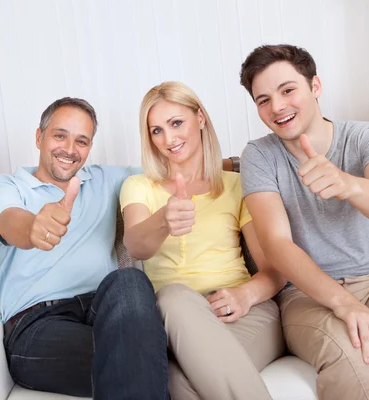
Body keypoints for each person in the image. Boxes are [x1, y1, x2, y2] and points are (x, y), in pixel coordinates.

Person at [239, 44, 369, 400]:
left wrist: (349, 184)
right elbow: (277, 245)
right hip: (306, 296)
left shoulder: (367, 137)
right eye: (263, 100)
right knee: (356, 357)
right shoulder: (259, 155)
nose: (278, 107)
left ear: (315, 86)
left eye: (288, 90)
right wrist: (344, 304)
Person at [0, 97, 168, 399]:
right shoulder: (7, 187)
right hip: (37, 324)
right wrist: (33, 228)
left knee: (130, 280)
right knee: (141, 356)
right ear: (39, 137)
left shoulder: (106, 180)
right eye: (60, 136)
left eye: (81, 141)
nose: (70, 149)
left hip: (104, 309)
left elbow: (173, 166)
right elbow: (9, 222)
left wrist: (237, 164)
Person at [120, 81, 286, 400]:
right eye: (156, 131)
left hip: (245, 310)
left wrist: (245, 296)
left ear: (200, 118)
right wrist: (163, 219)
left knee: (182, 385)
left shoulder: (238, 185)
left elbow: (274, 269)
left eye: (176, 123)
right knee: (173, 297)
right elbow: (136, 246)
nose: (168, 139)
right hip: (174, 315)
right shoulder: (138, 186)